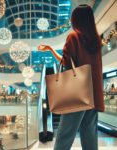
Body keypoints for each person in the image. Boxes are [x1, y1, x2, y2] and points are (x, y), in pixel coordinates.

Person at [38, 4, 104, 150]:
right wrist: (50, 49)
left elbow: (66, 64)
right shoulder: (96, 41)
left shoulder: (73, 37)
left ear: (76, 20)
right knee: (90, 139)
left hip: (78, 94)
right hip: (93, 96)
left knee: (64, 136)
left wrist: (49, 50)